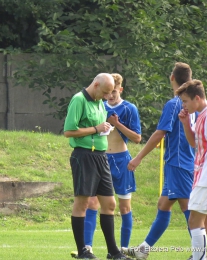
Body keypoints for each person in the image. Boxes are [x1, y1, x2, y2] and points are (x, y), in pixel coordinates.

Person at [122, 62, 197, 260]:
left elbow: (160, 133)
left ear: (172, 77)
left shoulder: (175, 104)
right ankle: (143, 250)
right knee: (164, 205)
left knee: (188, 208)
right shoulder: (195, 104)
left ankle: (201, 254)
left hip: (178, 163)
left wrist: (138, 157)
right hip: (186, 162)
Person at [63, 73, 132, 260]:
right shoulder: (79, 100)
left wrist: (105, 129)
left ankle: (113, 252)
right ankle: (83, 251)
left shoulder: (99, 103)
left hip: (102, 157)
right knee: (83, 203)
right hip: (84, 156)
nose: (107, 97)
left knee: (110, 204)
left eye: (110, 93)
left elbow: (100, 126)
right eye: (104, 92)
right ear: (95, 85)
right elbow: (69, 131)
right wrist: (96, 129)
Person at [83, 73, 141, 253]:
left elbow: (137, 138)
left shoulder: (129, 108)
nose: (110, 96)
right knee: (92, 202)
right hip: (101, 159)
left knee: (124, 206)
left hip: (122, 160)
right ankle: (87, 247)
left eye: (114, 92)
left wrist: (117, 124)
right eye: (108, 92)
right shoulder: (99, 105)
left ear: (120, 90)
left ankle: (122, 249)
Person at [176, 79, 207, 260]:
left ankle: (199, 258)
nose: (183, 105)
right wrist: (186, 124)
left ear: (197, 98)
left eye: (185, 101)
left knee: (194, 220)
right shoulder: (201, 115)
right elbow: (195, 144)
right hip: (202, 175)